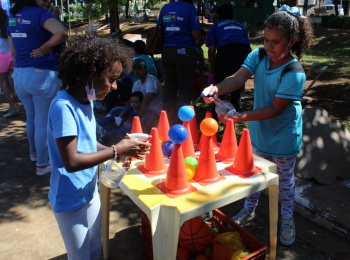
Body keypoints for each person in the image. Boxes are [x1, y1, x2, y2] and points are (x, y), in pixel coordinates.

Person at [204, 5, 313, 246]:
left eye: (276, 41)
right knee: (252, 174)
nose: (269, 45)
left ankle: (286, 219)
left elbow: (275, 109)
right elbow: (238, 78)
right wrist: (217, 88)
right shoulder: (259, 55)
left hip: (284, 135)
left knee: (284, 182)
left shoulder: (294, 72)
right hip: (259, 131)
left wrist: (238, 117)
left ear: (291, 41)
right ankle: (248, 209)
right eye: (266, 39)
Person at [47, 36, 151, 260]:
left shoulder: (86, 101)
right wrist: (116, 150)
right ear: (88, 75)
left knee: (96, 250)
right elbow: (72, 161)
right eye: (111, 79)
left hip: (89, 191)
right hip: (69, 200)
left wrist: (116, 151)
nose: (114, 87)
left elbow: (87, 142)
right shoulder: (63, 108)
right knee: (80, 256)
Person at [8, 0, 67, 175]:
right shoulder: (39, 14)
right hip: (41, 74)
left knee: (31, 118)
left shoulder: (13, 15)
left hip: (19, 73)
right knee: (43, 122)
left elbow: (13, 49)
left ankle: (35, 154)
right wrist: (45, 47)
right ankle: (43, 164)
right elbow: (62, 32)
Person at [158, 0, 201, 126]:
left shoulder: (165, 8)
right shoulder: (189, 8)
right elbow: (196, 33)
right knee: (185, 90)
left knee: (170, 88)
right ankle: (183, 123)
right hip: (185, 52)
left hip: (167, 52)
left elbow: (159, 28)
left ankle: (167, 123)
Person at [101, 58, 163, 146]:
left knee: (128, 126)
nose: (137, 71)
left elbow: (145, 104)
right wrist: (122, 114)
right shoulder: (136, 83)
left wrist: (135, 120)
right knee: (116, 110)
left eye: (140, 68)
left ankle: (108, 137)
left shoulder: (151, 82)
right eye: (134, 68)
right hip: (139, 109)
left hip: (152, 113)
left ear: (145, 68)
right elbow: (131, 101)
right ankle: (98, 126)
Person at [206, 3, 251, 111]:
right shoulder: (240, 26)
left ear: (218, 15)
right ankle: (233, 120)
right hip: (243, 53)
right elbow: (247, 45)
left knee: (219, 86)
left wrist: (213, 68)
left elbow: (211, 50)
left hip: (225, 52)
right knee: (237, 88)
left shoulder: (215, 26)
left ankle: (215, 119)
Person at [0, 7, 20, 118]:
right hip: (11, 55)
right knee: (11, 82)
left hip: (1, 56)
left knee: (3, 84)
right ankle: (15, 105)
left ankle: (13, 107)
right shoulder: (7, 25)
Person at [194, 29, 207, 96]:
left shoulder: (200, 49)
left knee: (198, 89)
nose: (202, 42)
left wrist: (204, 66)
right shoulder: (192, 49)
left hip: (199, 73)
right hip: (193, 73)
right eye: (200, 40)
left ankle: (195, 103)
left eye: (203, 40)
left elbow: (202, 59)